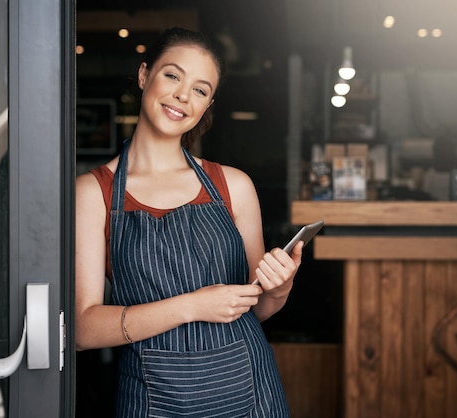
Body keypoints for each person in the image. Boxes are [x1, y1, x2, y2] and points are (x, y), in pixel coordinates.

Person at [75, 27, 303, 417]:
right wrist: (193, 306)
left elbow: (256, 307)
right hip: (152, 398)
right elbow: (83, 329)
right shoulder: (93, 193)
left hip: (249, 388)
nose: (183, 95)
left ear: (208, 103)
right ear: (145, 75)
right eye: (173, 75)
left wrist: (280, 289)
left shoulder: (234, 185)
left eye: (200, 89)